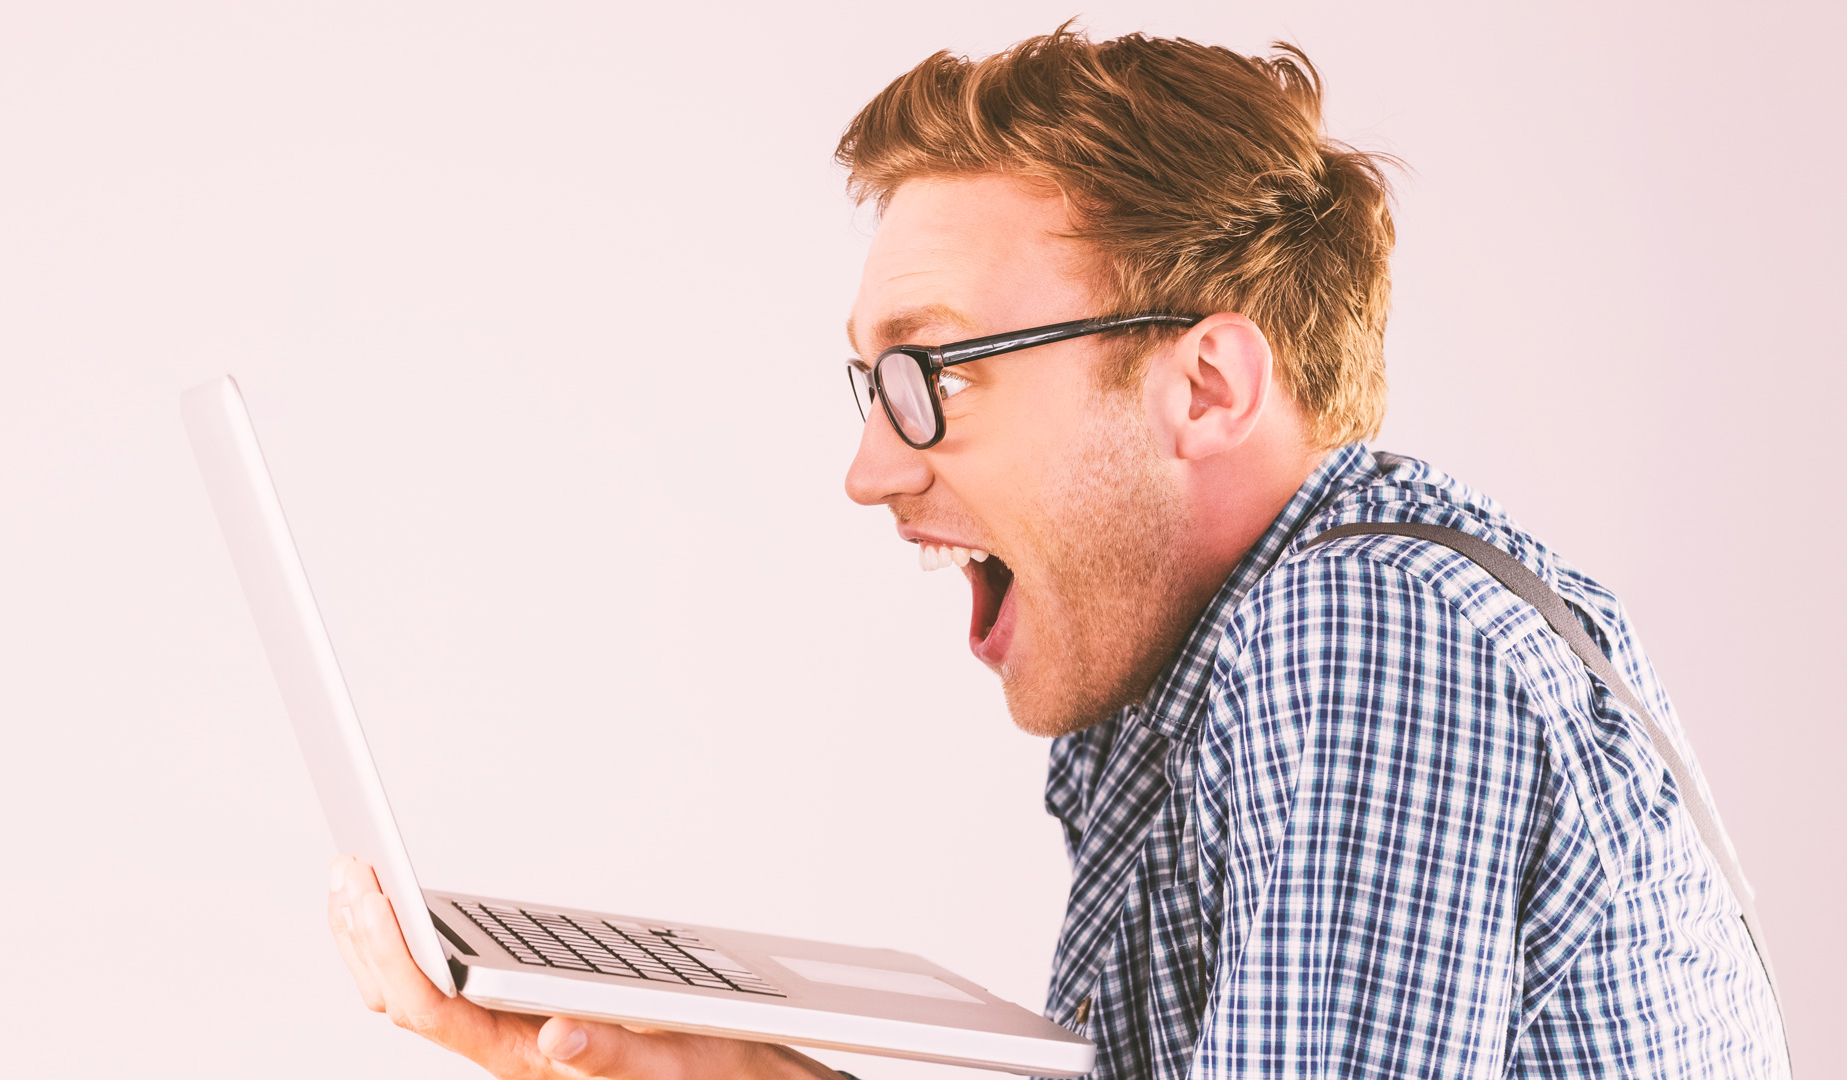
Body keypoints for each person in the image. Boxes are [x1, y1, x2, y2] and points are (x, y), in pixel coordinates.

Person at [326, 27, 1790, 1080]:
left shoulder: (1369, 634)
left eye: (933, 373)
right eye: (871, 385)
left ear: (1206, 388)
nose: (869, 469)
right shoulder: (1179, 693)